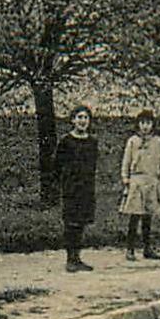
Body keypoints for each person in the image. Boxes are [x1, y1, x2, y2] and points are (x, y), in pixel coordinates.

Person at [53, 104, 99, 273]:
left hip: (86, 188)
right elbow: (57, 165)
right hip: (71, 187)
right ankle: (70, 258)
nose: (82, 121)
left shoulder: (92, 142)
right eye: (79, 117)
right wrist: (63, 183)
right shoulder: (66, 141)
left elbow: (92, 165)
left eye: (85, 117)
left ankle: (78, 258)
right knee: (71, 223)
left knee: (81, 223)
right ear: (73, 120)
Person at [119, 109, 160, 261]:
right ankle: (130, 249)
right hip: (136, 181)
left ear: (153, 125)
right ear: (138, 124)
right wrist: (125, 178)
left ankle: (147, 248)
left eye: (148, 123)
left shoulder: (157, 141)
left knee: (148, 217)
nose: (145, 126)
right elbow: (126, 161)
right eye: (142, 123)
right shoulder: (133, 141)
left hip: (151, 181)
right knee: (134, 216)